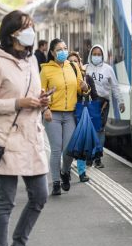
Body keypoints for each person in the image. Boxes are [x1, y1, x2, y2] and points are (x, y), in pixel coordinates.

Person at [0, 10, 50, 246]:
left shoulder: (32, 61)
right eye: (26, 27)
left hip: (31, 137)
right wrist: (17, 103)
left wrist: (41, 100)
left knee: (39, 196)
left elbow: (32, 95)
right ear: (12, 34)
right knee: (5, 202)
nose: (31, 31)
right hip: (5, 139)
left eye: (32, 26)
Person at [40, 39, 89, 196]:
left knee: (69, 149)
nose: (63, 51)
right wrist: (45, 108)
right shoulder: (46, 70)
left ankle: (65, 172)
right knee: (56, 149)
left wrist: (85, 88)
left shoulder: (73, 67)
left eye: (65, 48)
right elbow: (40, 92)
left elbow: (81, 90)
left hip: (70, 114)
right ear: (53, 53)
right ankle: (55, 182)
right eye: (59, 49)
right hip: (52, 114)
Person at [85, 44, 125, 168]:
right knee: (89, 130)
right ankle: (89, 156)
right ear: (91, 55)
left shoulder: (108, 69)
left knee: (100, 130)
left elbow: (115, 86)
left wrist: (121, 101)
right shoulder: (85, 68)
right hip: (88, 102)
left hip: (103, 103)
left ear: (102, 55)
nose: (96, 56)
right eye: (94, 54)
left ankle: (97, 157)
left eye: (99, 54)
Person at [67, 51, 99, 182]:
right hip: (68, 113)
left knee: (81, 142)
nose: (74, 63)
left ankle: (82, 172)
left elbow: (95, 96)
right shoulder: (64, 79)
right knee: (68, 143)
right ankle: (66, 170)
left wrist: (86, 90)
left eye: (76, 61)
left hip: (82, 113)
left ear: (80, 63)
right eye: (70, 61)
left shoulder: (87, 78)